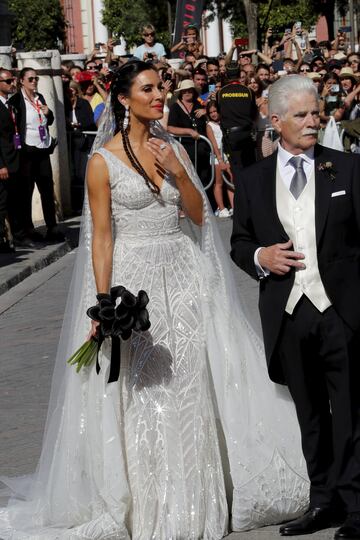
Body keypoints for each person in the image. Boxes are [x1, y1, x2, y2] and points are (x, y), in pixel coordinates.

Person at [0, 61, 311, 538]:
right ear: (124, 99)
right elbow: (101, 239)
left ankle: (200, 500)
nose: (159, 94)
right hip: (135, 284)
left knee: (189, 385)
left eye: (160, 87)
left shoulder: (173, 150)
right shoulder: (102, 161)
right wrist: (103, 305)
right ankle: (153, 505)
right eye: (148, 88)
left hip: (184, 277)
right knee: (147, 395)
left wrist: (181, 175)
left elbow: (199, 218)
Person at [231, 75, 360, 539]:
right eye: (302, 115)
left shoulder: (345, 168)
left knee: (349, 413)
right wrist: (260, 258)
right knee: (310, 415)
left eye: (317, 112)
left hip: (341, 310)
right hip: (288, 312)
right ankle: (323, 501)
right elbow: (240, 242)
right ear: (276, 119)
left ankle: (357, 506)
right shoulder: (251, 179)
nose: (313, 121)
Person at [9, 68, 64, 243]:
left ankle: (52, 227)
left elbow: (49, 121)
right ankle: (28, 228)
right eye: (30, 79)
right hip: (27, 151)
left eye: (36, 78)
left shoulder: (39, 97)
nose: (34, 81)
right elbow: (14, 127)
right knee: (26, 191)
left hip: (42, 149)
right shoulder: (16, 101)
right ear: (22, 81)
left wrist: (48, 113)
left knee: (47, 189)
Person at [217, 61, 257, 183]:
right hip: (246, 135)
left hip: (231, 137)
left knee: (237, 173)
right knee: (250, 172)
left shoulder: (221, 92)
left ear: (227, 75)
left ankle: (240, 199)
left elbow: (220, 113)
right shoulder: (248, 91)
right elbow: (253, 113)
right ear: (240, 74)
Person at [0, 68, 19, 253]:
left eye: (12, 80)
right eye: (7, 81)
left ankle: (13, 235)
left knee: (12, 200)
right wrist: (1, 165)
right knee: (1, 202)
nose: (12, 84)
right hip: (3, 161)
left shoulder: (10, 103)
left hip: (14, 157)